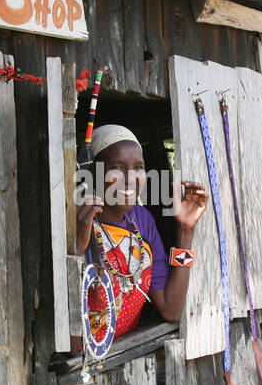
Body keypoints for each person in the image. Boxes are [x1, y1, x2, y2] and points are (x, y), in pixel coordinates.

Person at [75, 125, 208, 346]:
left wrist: (186, 231)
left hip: (128, 360)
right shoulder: (79, 222)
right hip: (83, 364)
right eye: (117, 167)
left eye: (138, 168)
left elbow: (170, 309)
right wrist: (78, 250)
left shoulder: (142, 220)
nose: (131, 178)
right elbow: (69, 344)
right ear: (93, 173)